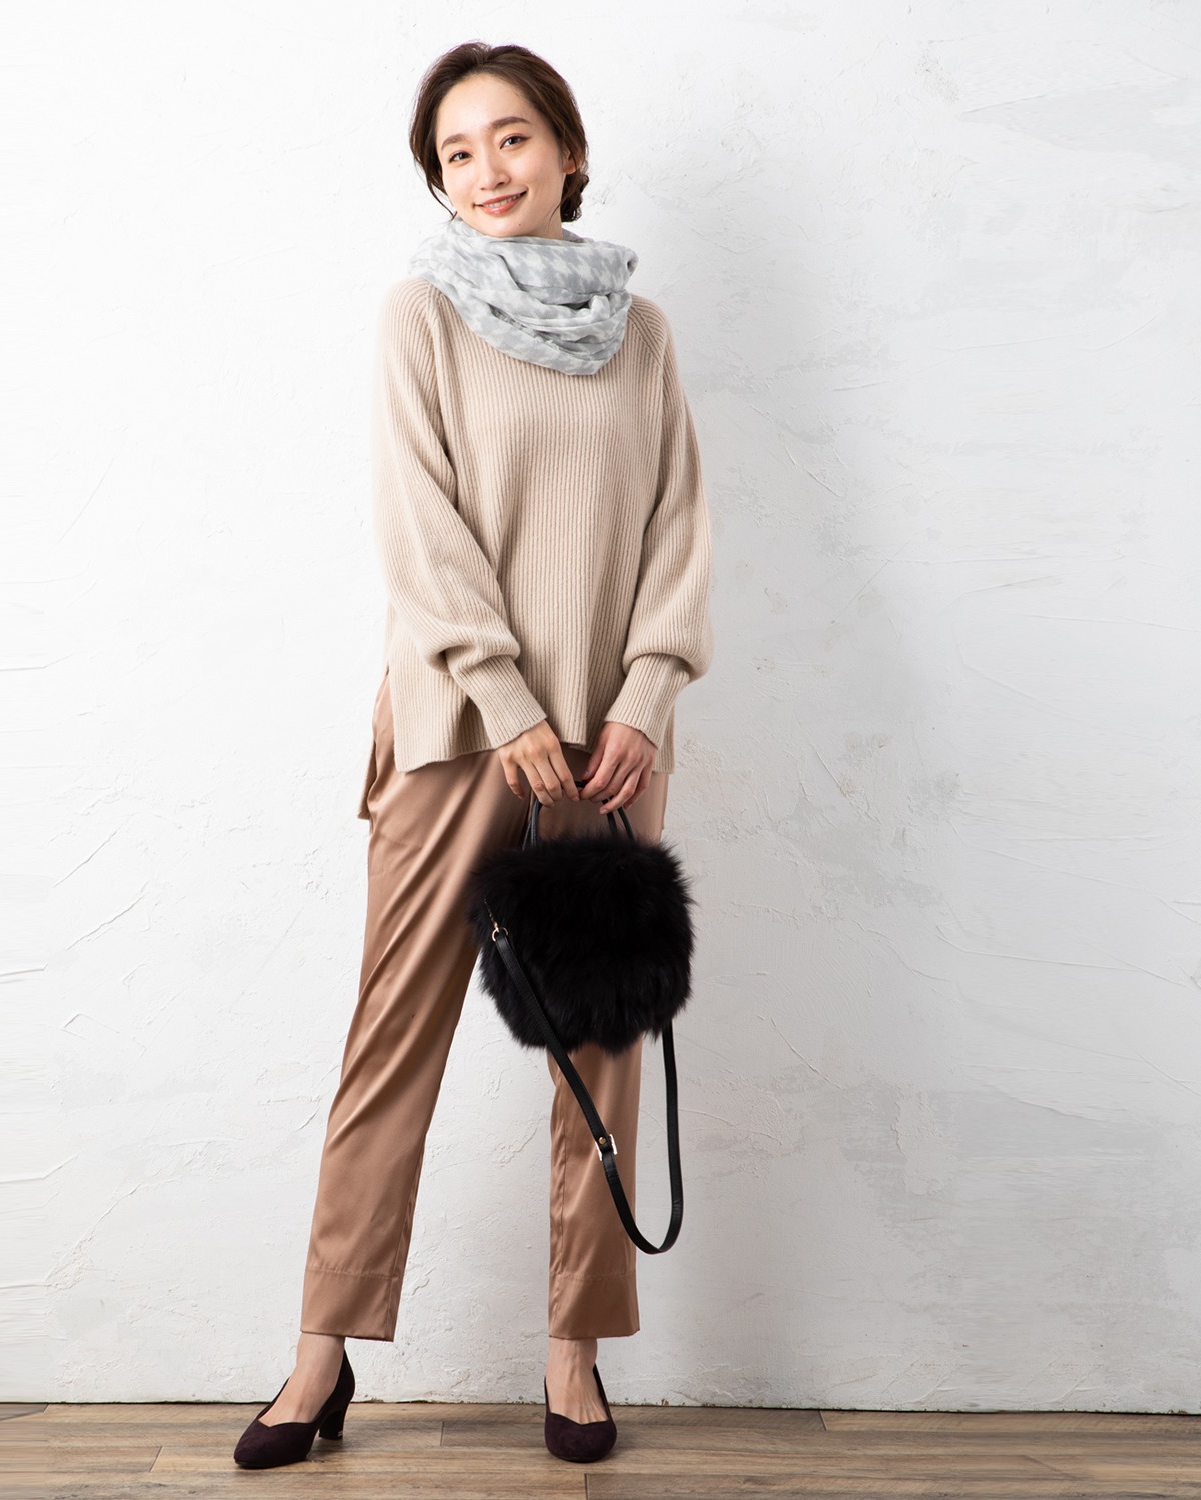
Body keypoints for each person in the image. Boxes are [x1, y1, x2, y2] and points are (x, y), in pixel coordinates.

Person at [235, 39, 714, 1471]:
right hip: (459, 734)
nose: (488, 170)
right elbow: (419, 526)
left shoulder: (643, 335)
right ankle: (319, 1355)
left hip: (610, 747)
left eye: (511, 138)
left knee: (601, 1046)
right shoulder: (423, 317)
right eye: (458, 152)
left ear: (568, 149)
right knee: (393, 1040)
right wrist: (505, 702)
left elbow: (679, 527)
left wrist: (644, 698)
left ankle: (574, 1353)